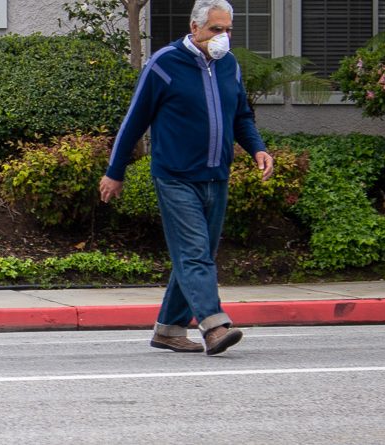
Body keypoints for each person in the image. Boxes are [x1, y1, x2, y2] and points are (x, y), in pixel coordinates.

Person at [99, 0, 273, 356]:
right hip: (175, 176)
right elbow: (134, 121)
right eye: (215, 30)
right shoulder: (165, 64)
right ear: (194, 28)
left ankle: (168, 330)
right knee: (195, 255)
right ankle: (214, 325)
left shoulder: (229, 65)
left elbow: (241, 115)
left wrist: (257, 148)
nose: (223, 37)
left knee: (198, 255)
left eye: (227, 30)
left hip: (216, 176)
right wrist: (115, 172)